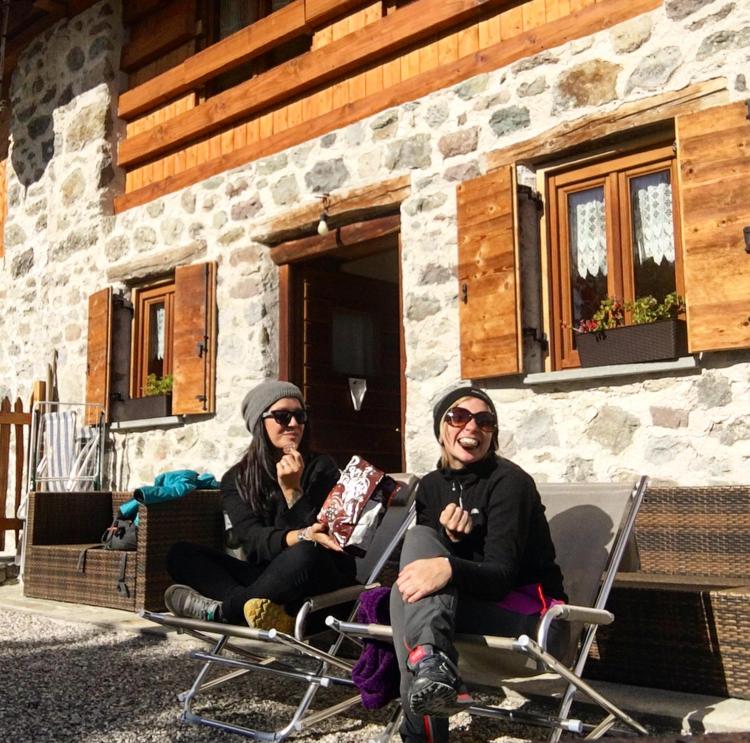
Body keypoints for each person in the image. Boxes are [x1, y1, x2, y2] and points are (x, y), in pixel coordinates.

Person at [390, 386, 568, 743]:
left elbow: (500, 578)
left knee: (403, 595)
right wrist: (453, 546)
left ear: (492, 434)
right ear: (441, 429)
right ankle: (432, 663)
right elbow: (427, 569)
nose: (472, 427)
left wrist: (450, 566)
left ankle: (421, 728)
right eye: (459, 417)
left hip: (529, 618)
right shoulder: (431, 486)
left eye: (484, 421)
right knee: (416, 553)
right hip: (461, 609)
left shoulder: (509, 483)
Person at [164, 380, 356, 632]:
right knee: (180, 554)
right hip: (269, 578)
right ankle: (260, 610)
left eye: (300, 416)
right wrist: (301, 534)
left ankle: (224, 612)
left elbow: (325, 537)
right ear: (259, 422)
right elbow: (253, 540)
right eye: (282, 416)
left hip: (318, 577)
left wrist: (293, 492)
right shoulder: (237, 479)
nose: (294, 423)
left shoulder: (322, 468)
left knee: (305, 553)